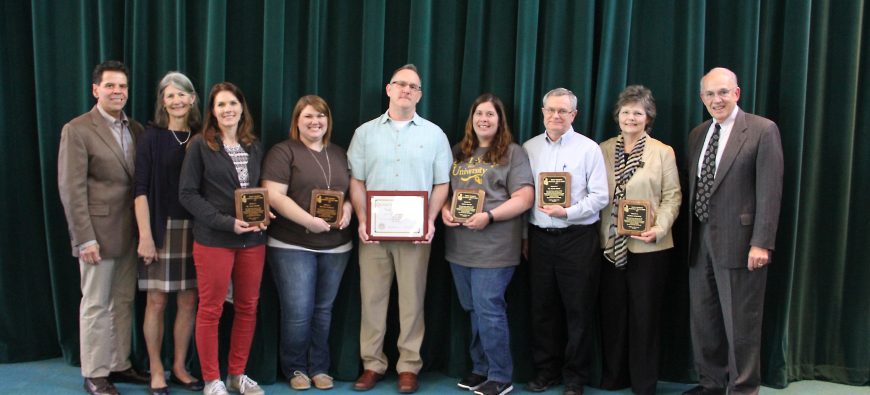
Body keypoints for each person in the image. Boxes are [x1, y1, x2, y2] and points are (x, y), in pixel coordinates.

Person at [347, 64, 452, 393]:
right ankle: (373, 364)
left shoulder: (434, 134)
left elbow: (442, 183)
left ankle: (408, 366)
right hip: (373, 235)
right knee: (372, 300)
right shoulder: (365, 133)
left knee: (412, 301)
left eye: (413, 86)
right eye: (400, 84)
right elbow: (357, 181)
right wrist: (363, 220)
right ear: (388, 89)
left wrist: (430, 220)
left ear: (419, 95)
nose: (406, 90)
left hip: (417, 236)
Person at [684, 68, 783, 395]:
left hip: (742, 245)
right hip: (700, 242)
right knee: (705, 321)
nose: (717, 99)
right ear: (702, 98)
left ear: (737, 93)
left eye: (723, 92)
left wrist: (761, 243)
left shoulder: (761, 130)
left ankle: (742, 389)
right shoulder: (698, 133)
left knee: (741, 325)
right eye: (710, 94)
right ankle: (711, 384)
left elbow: (770, 191)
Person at [58, 60, 150, 395]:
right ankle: (95, 373)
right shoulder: (78, 129)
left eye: (122, 86)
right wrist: (84, 238)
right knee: (96, 304)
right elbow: (71, 190)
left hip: (130, 234)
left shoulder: (137, 129)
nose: (117, 92)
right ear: (95, 90)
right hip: (96, 235)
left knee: (123, 300)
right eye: (110, 86)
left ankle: (118, 364)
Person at [441, 94, 534, 395]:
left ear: (499, 120)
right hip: (459, 247)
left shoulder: (513, 153)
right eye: (479, 113)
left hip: (495, 247)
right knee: (473, 309)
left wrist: (490, 216)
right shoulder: (458, 151)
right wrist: (443, 209)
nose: (484, 119)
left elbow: (524, 198)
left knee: (489, 308)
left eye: (490, 114)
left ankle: (500, 375)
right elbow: (444, 192)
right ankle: (480, 368)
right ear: (471, 119)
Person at [179, 82, 267, 395]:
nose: (227, 109)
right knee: (211, 309)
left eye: (232, 103)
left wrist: (263, 214)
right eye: (220, 105)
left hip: (253, 243)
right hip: (214, 240)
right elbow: (187, 194)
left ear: (242, 107)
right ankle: (212, 380)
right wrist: (226, 223)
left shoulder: (254, 145)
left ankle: (237, 374)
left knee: (247, 307)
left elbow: (257, 192)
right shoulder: (201, 145)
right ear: (213, 112)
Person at [262, 95, 353, 391]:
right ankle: (295, 367)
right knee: (298, 310)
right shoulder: (283, 151)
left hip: (337, 246)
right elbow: (274, 196)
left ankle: (320, 367)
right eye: (308, 117)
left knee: (323, 310)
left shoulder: (339, 153)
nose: (316, 122)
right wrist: (308, 221)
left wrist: (349, 210)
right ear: (297, 121)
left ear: (328, 120)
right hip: (292, 244)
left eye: (321, 116)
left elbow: (350, 193)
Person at [522, 88, 609, 395]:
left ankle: (575, 377)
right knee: (542, 308)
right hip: (540, 238)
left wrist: (568, 212)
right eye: (550, 110)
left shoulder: (588, 149)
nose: (556, 116)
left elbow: (601, 196)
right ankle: (546, 371)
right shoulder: (529, 148)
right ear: (542, 112)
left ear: (574, 115)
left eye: (563, 111)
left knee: (578, 309)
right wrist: (524, 236)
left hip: (578, 238)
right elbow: (523, 196)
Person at [596, 86, 681, 395]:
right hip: (609, 246)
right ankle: (615, 376)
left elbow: (672, 197)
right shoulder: (602, 149)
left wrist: (659, 227)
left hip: (650, 246)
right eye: (626, 112)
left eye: (637, 112)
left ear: (648, 118)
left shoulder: (663, 152)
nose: (630, 117)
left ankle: (644, 383)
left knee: (645, 317)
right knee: (613, 314)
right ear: (617, 116)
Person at [133, 71, 205, 395]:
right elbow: (140, 190)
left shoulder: (204, 135)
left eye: (182, 94)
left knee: (189, 302)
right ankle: (156, 369)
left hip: (197, 229)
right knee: (157, 301)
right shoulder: (151, 137)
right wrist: (145, 235)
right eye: (169, 95)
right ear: (163, 102)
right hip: (161, 228)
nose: (176, 100)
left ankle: (179, 366)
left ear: (192, 98)